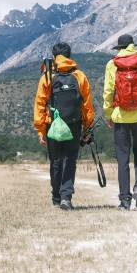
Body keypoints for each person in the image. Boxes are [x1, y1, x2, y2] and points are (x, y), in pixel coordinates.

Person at [33, 41, 95, 210]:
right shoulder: (80, 76)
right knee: (70, 160)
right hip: (74, 124)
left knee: (56, 161)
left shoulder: (47, 76)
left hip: (53, 124)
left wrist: (40, 130)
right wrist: (87, 127)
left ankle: (56, 197)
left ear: (54, 57)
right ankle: (66, 197)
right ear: (69, 56)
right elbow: (87, 105)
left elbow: (40, 104)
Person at [103, 33, 137, 210]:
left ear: (119, 48)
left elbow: (108, 92)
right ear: (133, 46)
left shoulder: (112, 64)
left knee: (122, 158)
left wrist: (109, 114)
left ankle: (125, 200)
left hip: (121, 117)